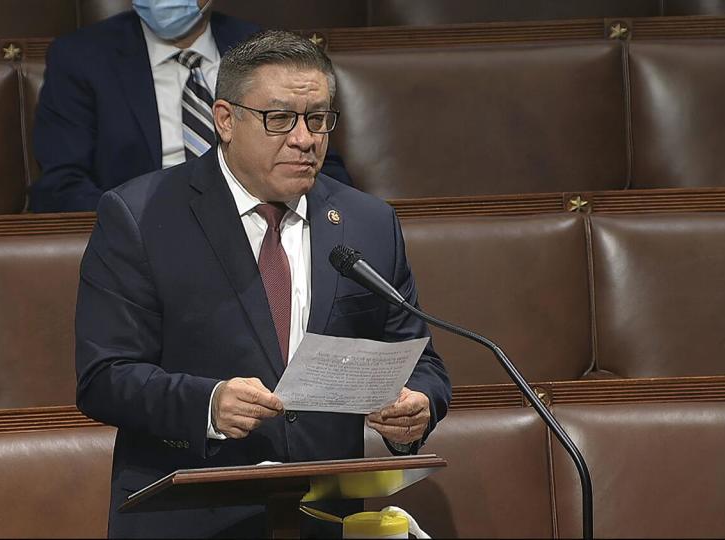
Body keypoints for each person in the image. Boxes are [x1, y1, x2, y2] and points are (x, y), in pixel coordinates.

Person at [75, 30, 450, 538]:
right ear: (225, 120)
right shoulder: (140, 217)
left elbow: (418, 358)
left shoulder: (368, 222)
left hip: (325, 519)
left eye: (318, 119)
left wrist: (417, 409)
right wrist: (208, 403)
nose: (304, 138)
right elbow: (103, 377)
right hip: (191, 518)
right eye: (279, 119)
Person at [29, 0, 354, 213]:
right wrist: (145, 221)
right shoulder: (81, 57)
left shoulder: (266, 50)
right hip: (146, 237)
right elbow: (61, 186)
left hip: (261, 227)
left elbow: (325, 169)